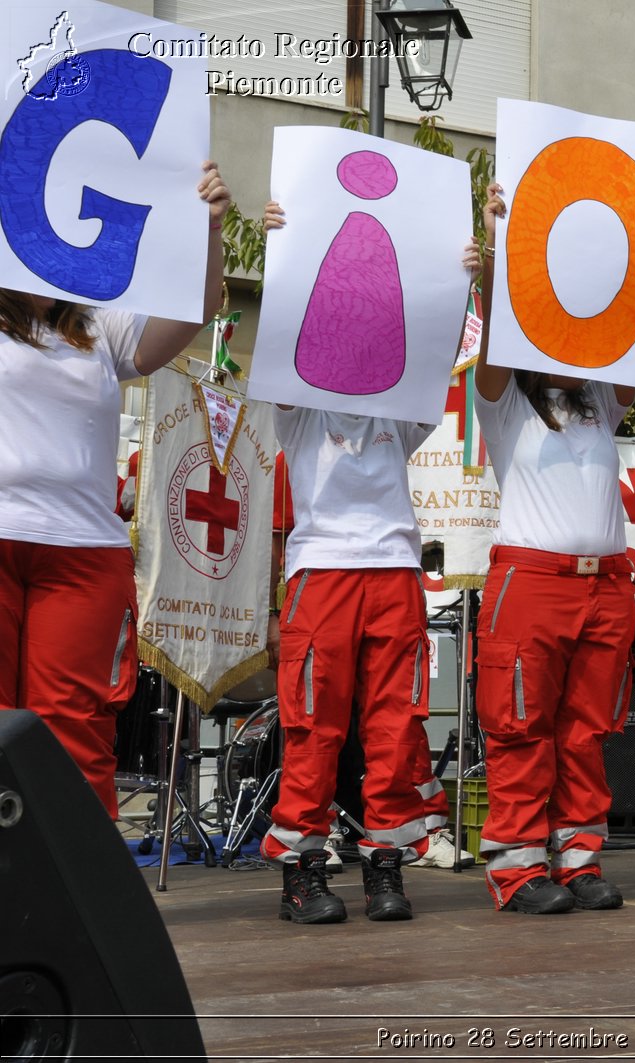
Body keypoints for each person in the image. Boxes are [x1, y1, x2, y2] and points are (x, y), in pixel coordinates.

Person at [260, 202, 477, 924]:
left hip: (393, 571)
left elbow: (437, 356)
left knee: (395, 725)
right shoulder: (301, 408)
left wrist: (463, 286)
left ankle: (385, 861)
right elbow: (283, 332)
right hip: (321, 573)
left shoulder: (397, 410)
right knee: (315, 725)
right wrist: (281, 251)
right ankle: (303, 867)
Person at [0, 162, 231, 816]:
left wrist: (209, 229)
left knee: (74, 736)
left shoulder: (101, 323)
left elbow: (195, 309)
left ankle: (76, 909)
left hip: (80, 554)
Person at [472, 184, 635, 915]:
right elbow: (493, 347)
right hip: (532, 582)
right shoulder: (504, 397)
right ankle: (516, 865)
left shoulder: (600, 397)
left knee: (586, 729)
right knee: (521, 724)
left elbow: (633, 343)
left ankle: (578, 854)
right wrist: (498, 247)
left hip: (604, 585)